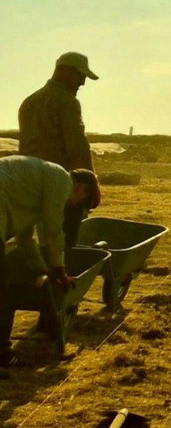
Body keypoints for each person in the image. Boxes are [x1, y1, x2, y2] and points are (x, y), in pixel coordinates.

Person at [1, 156, 101, 367]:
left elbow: (26, 240)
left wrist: (43, 270)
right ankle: (2, 355)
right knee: (2, 290)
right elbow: (53, 231)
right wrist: (59, 270)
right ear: (81, 186)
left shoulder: (36, 188)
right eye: (84, 200)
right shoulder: (61, 180)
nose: (77, 205)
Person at [19, 51, 99, 252]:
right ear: (64, 71)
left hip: (30, 184)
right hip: (60, 185)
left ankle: (41, 275)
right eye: (80, 75)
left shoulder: (29, 101)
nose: (82, 83)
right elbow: (78, 148)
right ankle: (60, 278)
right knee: (64, 245)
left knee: (45, 240)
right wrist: (91, 184)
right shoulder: (66, 102)